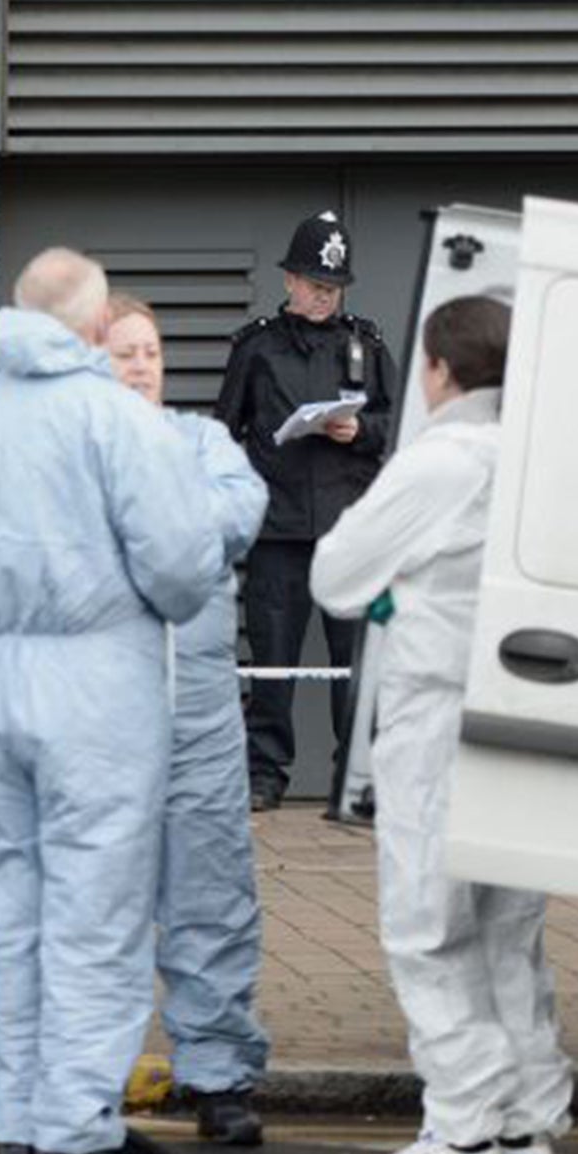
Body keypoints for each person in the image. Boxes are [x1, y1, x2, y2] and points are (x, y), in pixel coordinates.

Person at [0, 249, 225, 1154]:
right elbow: (180, 567)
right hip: (96, 678)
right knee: (98, 913)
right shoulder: (113, 418)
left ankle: (17, 1113)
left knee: (12, 910)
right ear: (95, 328)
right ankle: (77, 1125)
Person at [311, 296, 571, 1154]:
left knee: (428, 928)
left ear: (439, 370)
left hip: (435, 717)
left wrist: (393, 592)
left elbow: (336, 575)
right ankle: (528, 1127)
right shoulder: (546, 461)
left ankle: (461, 1135)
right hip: (522, 715)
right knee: (509, 933)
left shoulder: (439, 460)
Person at [105, 293, 273, 1147]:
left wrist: (137, 533)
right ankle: (89, 1076)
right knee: (96, 906)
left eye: (152, 352)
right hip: (98, 716)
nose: (142, 366)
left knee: (212, 895)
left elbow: (236, 516)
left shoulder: (206, 443)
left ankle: (219, 1074)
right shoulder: (67, 454)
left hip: (201, 714)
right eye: (124, 351)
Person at [215, 210, 396, 812]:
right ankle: (266, 775)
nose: (324, 295)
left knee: (354, 662)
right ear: (290, 280)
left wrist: (359, 431)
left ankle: (357, 782)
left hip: (349, 530)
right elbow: (224, 432)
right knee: (274, 661)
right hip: (277, 529)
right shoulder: (257, 346)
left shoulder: (365, 345)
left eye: (333, 286)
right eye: (315, 284)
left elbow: (396, 426)